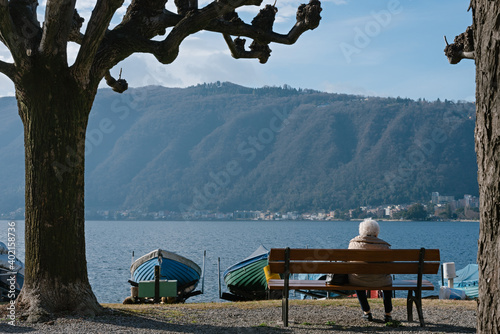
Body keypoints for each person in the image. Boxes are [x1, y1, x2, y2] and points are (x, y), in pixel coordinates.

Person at [348, 218, 393, 323]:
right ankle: (388, 314)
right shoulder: (384, 246)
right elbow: (390, 266)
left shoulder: (352, 244)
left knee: (357, 278)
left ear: (361, 231)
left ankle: (367, 312)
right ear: (376, 233)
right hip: (381, 281)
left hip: (358, 280)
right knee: (387, 280)